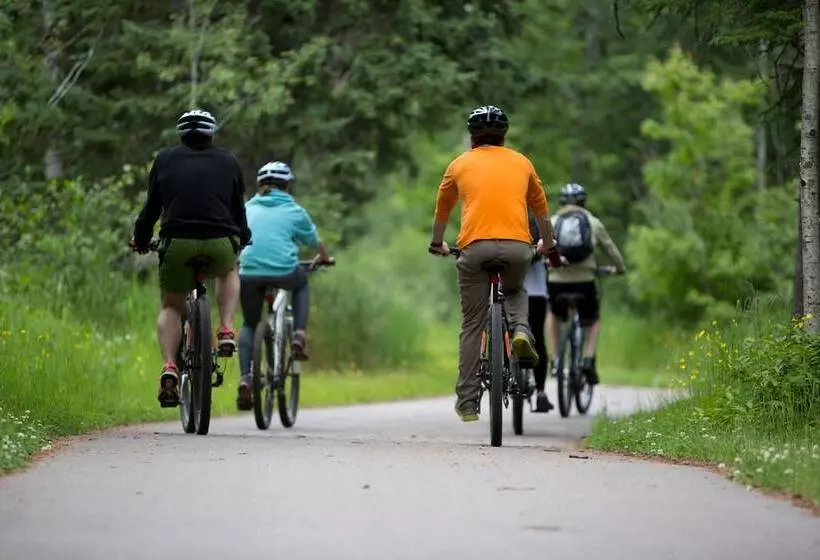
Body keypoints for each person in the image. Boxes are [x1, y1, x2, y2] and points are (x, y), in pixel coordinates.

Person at [428, 105, 563, 422]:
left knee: (473, 324)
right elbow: (541, 210)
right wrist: (549, 243)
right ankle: (519, 330)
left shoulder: (459, 164)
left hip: (474, 249)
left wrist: (437, 242)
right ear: (504, 135)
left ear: (473, 136)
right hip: (518, 247)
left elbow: (442, 209)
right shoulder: (523, 163)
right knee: (515, 290)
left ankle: (468, 401)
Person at [131, 109, 251, 407]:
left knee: (171, 306)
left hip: (177, 243)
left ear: (181, 135)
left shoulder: (165, 159)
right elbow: (238, 210)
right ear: (211, 134)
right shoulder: (229, 161)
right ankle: (225, 327)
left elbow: (150, 211)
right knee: (229, 270)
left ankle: (170, 365)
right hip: (220, 241)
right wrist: (243, 236)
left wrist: (142, 239)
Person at [235, 161, 333, 411]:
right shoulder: (294, 210)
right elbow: (314, 241)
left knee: (248, 324)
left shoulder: (247, 208)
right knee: (301, 283)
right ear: (287, 186)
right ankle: (299, 333)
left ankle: (246, 378)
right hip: (284, 272)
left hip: (249, 273)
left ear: (260, 186)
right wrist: (323, 257)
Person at [547, 183, 626, 385]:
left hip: (557, 280)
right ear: (584, 202)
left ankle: (556, 360)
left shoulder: (553, 222)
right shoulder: (592, 222)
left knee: (554, 315)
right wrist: (619, 268)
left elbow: (543, 250)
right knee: (593, 319)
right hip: (585, 280)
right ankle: (589, 358)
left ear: (562, 202)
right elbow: (611, 249)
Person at [522, 211, 553, 413]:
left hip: (506, 288)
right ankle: (541, 392)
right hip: (535, 289)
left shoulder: (500, 211)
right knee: (538, 338)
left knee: (502, 329)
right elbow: (552, 246)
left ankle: (500, 372)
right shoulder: (537, 216)